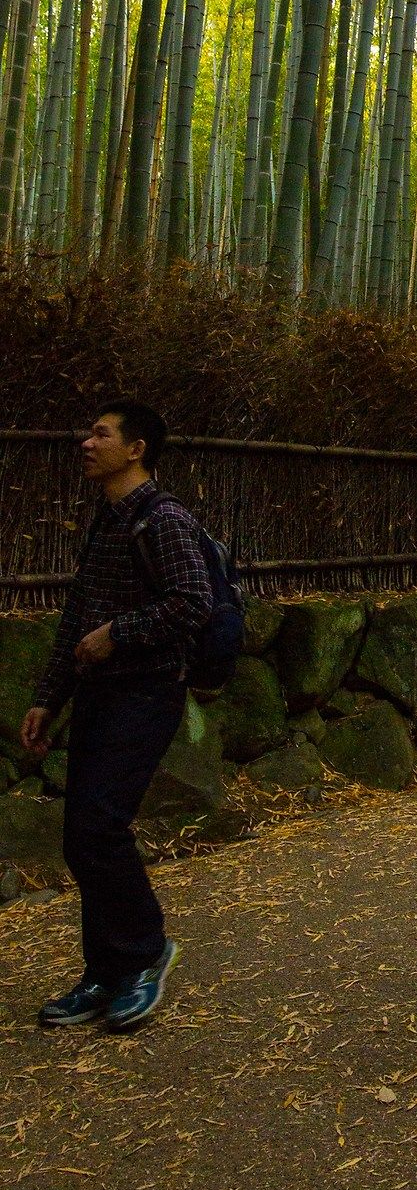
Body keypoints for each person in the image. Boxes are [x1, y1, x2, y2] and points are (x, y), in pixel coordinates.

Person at [21, 402, 213, 1034]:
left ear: (136, 449)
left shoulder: (165, 520)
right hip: (102, 695)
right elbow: (78, 620)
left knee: (99, 827)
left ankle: (142, 956)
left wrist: (119, 635)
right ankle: (104, 972)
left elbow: (192, 603)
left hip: (148, 693)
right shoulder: (108, 523)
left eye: (100, 434)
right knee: (82, 833)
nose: (86, 442)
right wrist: (49, 696)